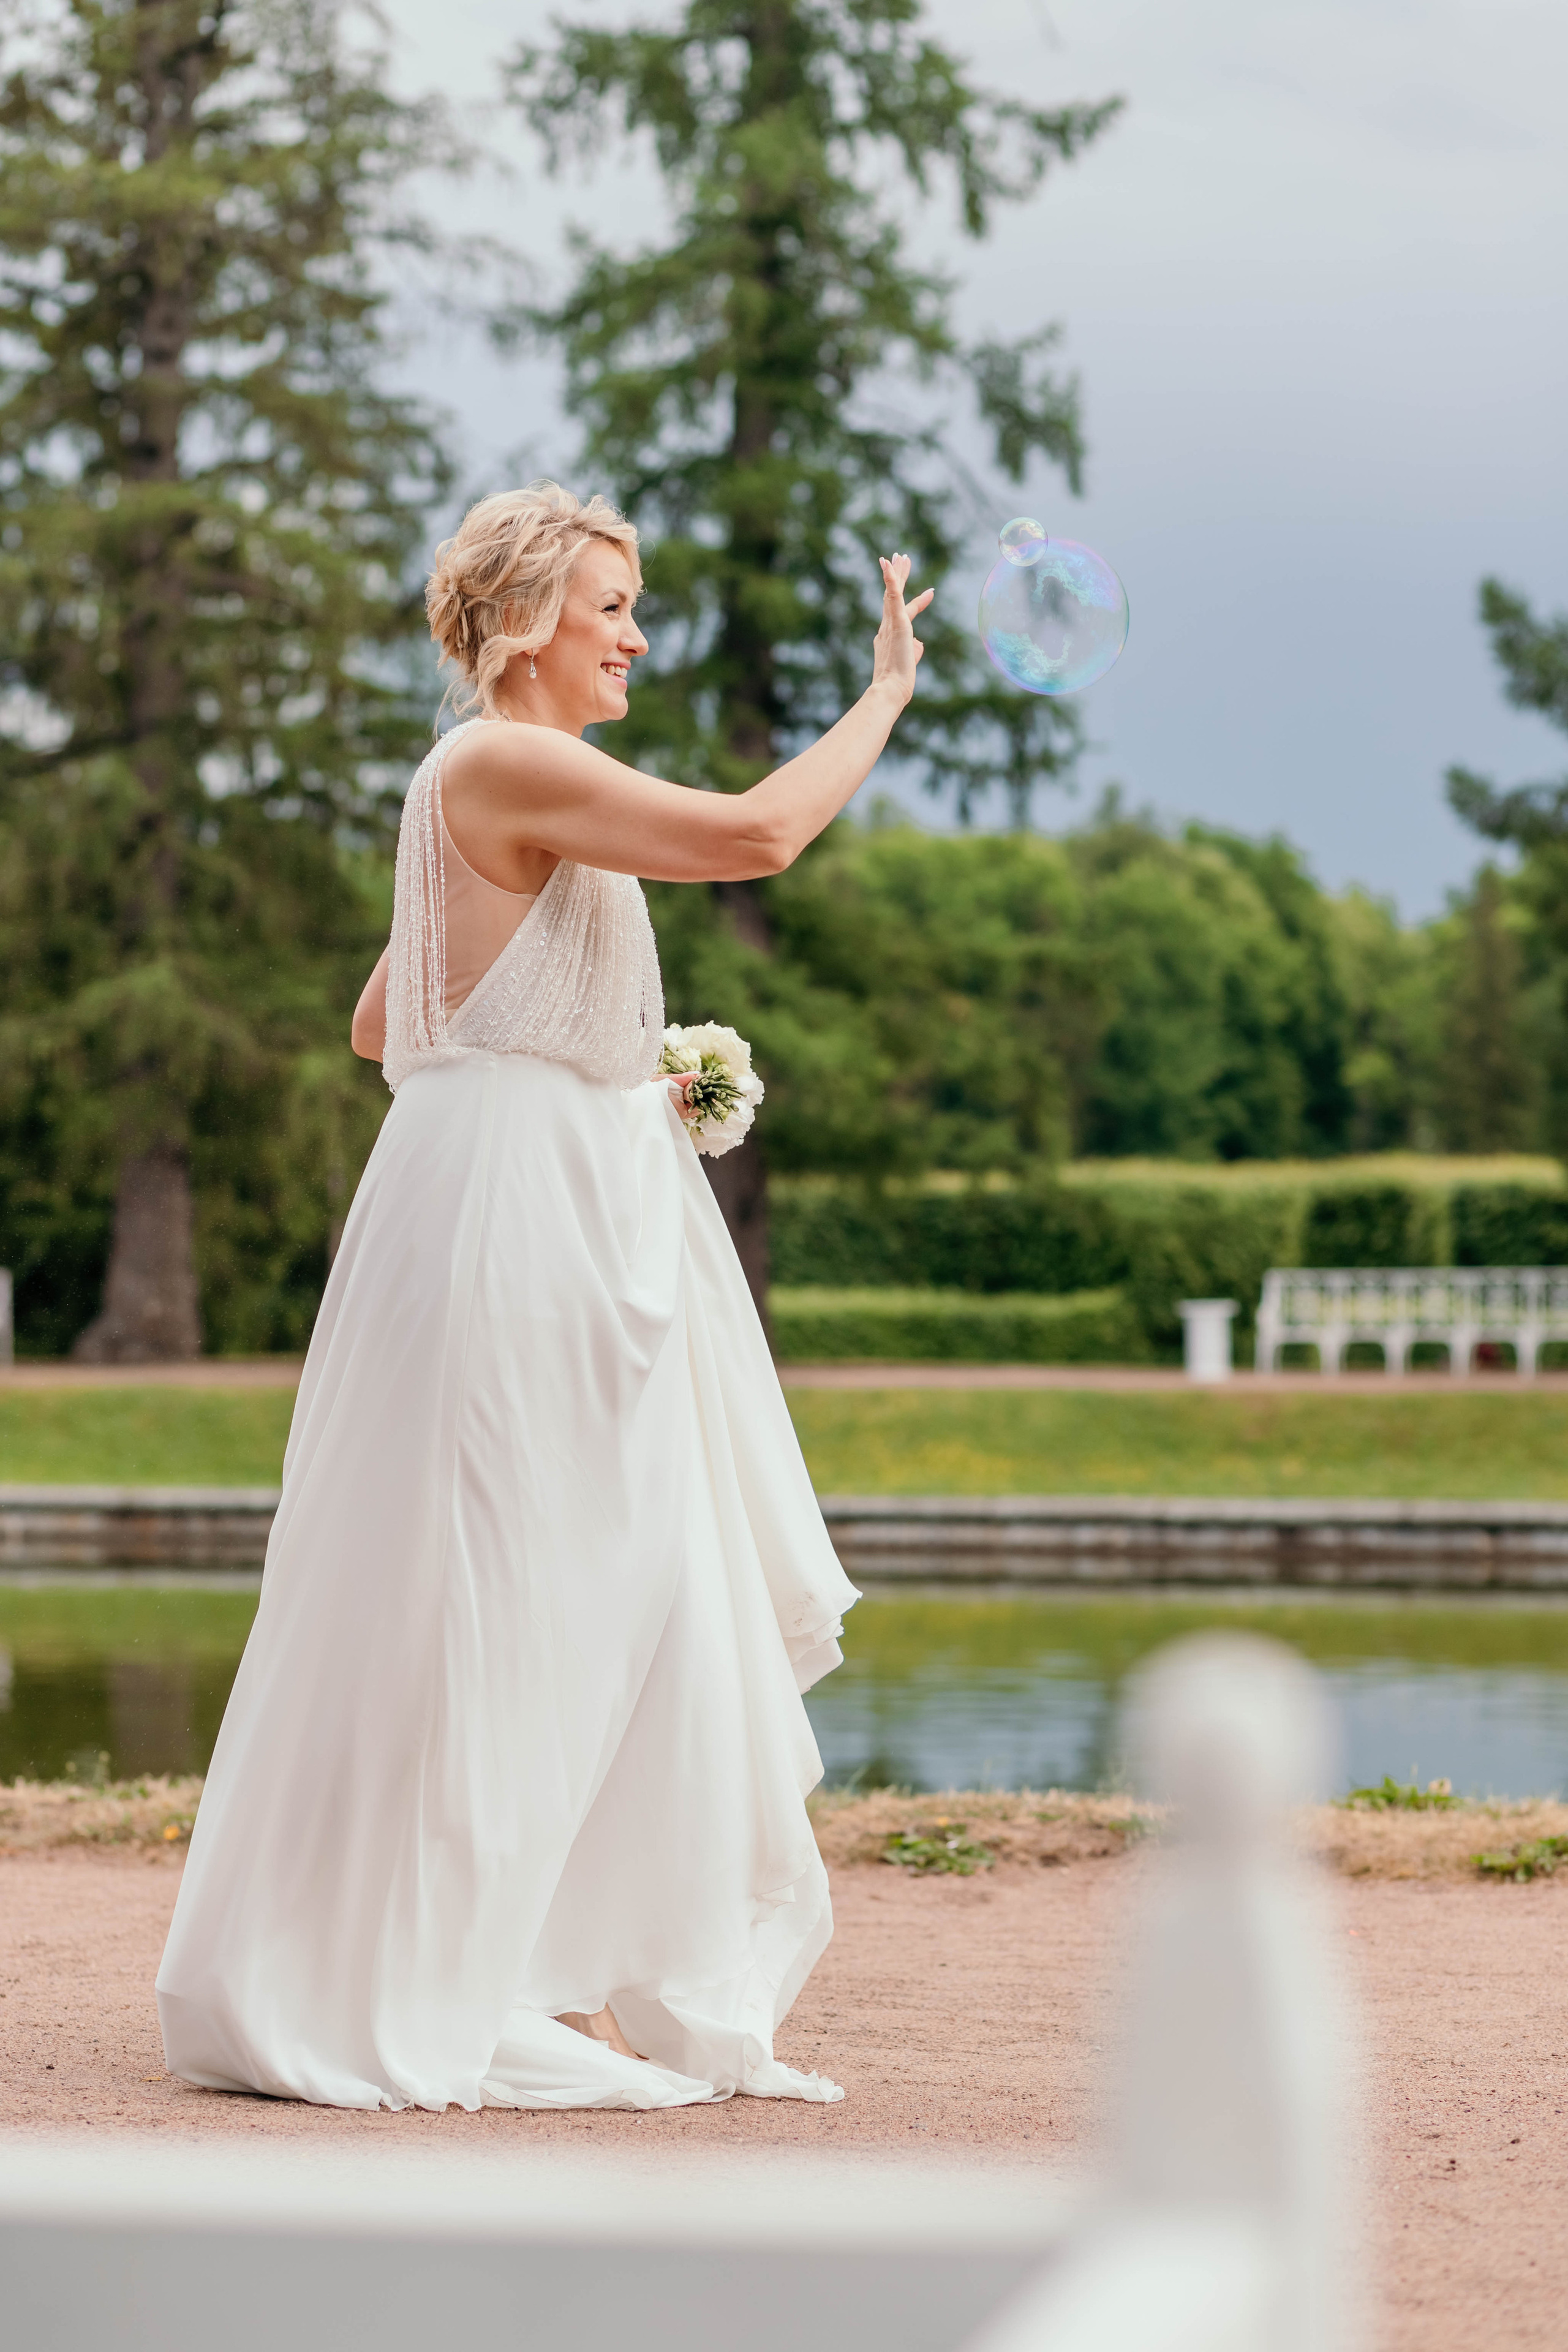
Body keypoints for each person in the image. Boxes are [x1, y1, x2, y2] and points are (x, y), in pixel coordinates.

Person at [155, 480, 933, 2112]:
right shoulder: (503, 759)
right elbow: (758, 836)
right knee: (504, 1593)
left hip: (533, 1194)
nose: (638, 635)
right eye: (614, 607)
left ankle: (521, 1959)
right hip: (516, 1225)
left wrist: (591, 1073)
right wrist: (881, 700)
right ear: (526, 626)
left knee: (583, 1592)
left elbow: (388, 1021)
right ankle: (459, 1970)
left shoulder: (508, 785)